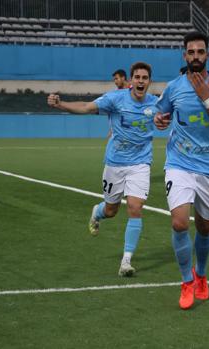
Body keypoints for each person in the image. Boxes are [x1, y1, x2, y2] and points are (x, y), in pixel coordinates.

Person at [47, 62, 158, 276]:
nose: (141, 81)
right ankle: (96, 213)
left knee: (135, 207)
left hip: (140, 163)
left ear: (149, 82)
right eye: (137, 77)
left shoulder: (156, 104)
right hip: (115, 162)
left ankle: (126, 261)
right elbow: (87, 107)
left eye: (145, 78)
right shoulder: (115, 99)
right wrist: (61, 105)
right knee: (111, 210)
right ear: (131, 80)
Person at [154, 31, 209, 310]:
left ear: (208, 55)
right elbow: (160, 111)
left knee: (204, 226)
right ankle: (187, 281)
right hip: (179, 164)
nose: (196, 56)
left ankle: (201, 274)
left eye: (201, 52)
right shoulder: (174, 87)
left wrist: (206, 98)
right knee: (179, 222)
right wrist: (159, 119)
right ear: (184, 55)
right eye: (191, 52)